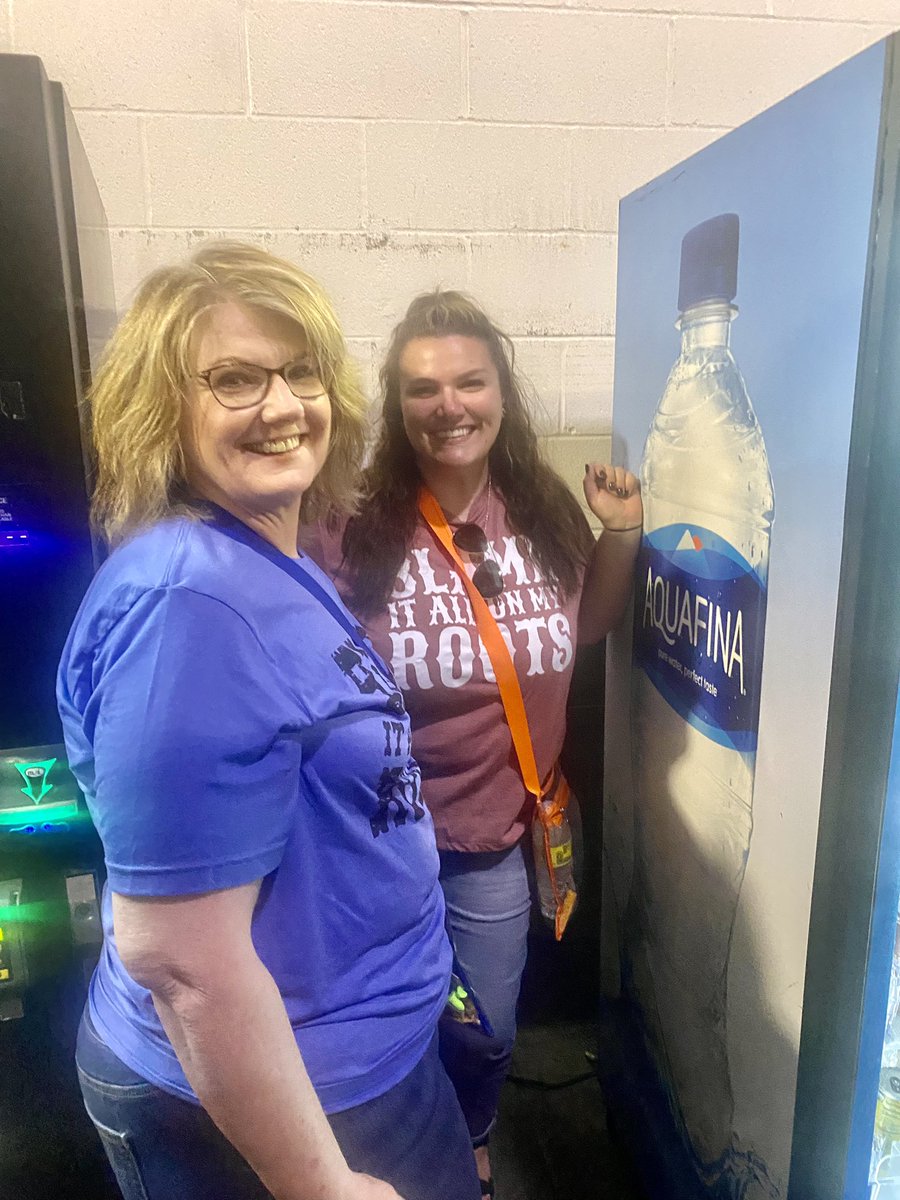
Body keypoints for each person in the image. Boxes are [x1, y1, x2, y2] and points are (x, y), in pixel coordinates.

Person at [56, 244, 481, 1200]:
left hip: (358, 1056)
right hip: (280, 1110)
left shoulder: (262, 555)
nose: (284, 405)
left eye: (301, 372)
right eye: (235, 380)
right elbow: (180, 960)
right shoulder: (191, 610)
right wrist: (321, 1186)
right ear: (162, 409)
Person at [302, 289, 642, 1193]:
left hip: (495, 837)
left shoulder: (540, 512)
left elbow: (587, 628)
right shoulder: (347, 524)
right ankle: (387, 1160)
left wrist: (623, 534)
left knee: (485, 1028)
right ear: (397, 404)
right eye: (422, 388)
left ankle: (472, 1140)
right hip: (376, 842)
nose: (448, 405)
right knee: (389, 1024)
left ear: (501, 393)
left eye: (469, 382)